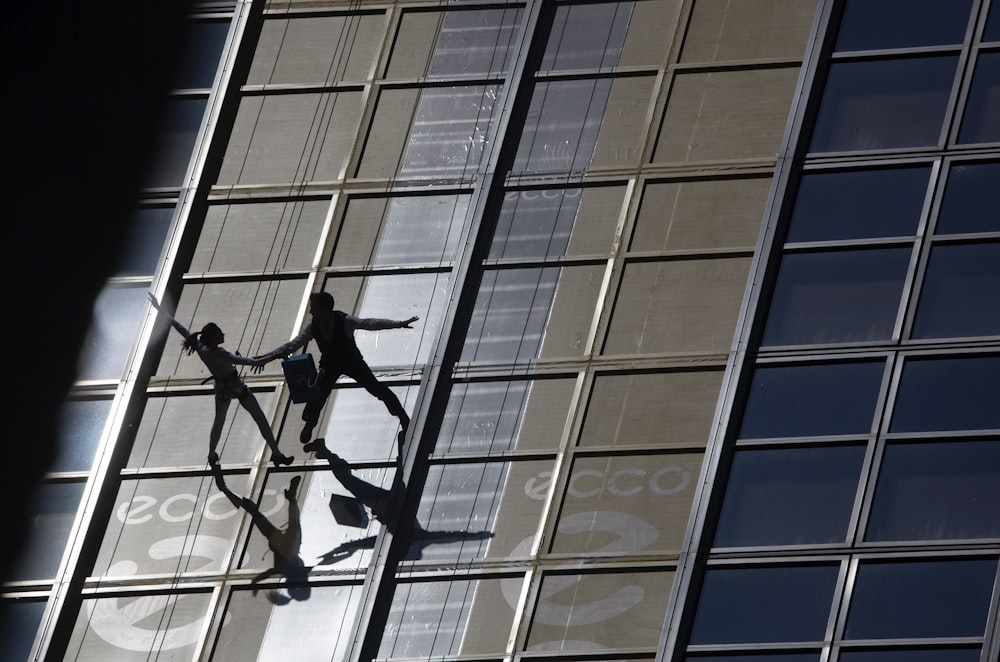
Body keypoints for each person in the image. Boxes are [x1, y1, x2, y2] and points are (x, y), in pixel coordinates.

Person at [148, 293, 294, 467]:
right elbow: (253, 362)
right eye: (219, 334)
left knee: (219, 421)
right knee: (259, 418)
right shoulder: (221, 354)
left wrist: (160, 309)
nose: (223, 335)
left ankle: (211, 453)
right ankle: (276, 452)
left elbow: (179, 328)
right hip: (236, 387)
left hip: (221, 390)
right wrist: (276, 355)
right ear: (214, 338)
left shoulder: (201, 348)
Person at [255, 291, 418, 447]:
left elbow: (369, 323)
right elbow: (292, 345)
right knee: (318, 393)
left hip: (352, 362)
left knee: (376, 388)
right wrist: (266, 358)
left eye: (314, 308)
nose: (311, 312)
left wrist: (398, 324)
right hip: (330, 364)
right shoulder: (314, 327)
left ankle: (402, 416)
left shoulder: (344, 321)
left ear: (325, 310)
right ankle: (309, 424)